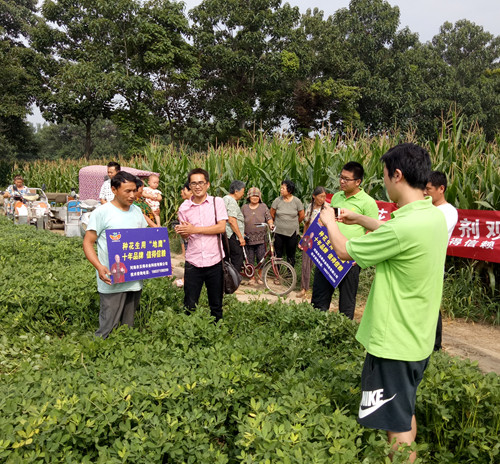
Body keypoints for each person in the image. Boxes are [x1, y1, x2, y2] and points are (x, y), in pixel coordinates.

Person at [319, 143, 448, 462]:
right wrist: (361, 218)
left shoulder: (405, 226)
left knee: (396, 430)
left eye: (386, 176)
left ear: (398, 175)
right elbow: (394, 233)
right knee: (402, 413)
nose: (385, 182)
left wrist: (330, 221)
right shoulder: (431, 216)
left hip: (395, 344)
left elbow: (344, 251)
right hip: (418, 338)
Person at [83, 171, 148, 339]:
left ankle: (123, 357)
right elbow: (88, 242)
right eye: (127, 191)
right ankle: (99, 354)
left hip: (134, 279)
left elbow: (144, 242)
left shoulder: (137, 211)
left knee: (128, 328)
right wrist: (99, 266)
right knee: (107, 326)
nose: (133, 195)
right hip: (111, 278)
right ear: (114, 190)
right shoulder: (102, 212)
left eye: (134, 190)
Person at [311, 162, 378, 319]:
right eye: (341, 177)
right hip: (329, 254)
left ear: (358, 181)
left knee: (346, 303)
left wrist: (358, 254)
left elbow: (373, 232)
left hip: (350, 259)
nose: (342, 181)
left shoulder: (368, 202)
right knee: (319, 299)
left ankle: (342, 333)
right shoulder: (335, 197)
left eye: (346, 179)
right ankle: (314, 331)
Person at [175, 168, 228, 322]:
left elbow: (221, 228)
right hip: (193, 261)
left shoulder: (216, 202)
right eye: (193, 183)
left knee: (216, 304)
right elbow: (186, 235)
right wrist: (184, 232)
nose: (197, 186)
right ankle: (190, 335)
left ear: (207, 184)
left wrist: (194, 229)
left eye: (201, 183)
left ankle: (217, 333)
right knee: (190, 304)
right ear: (189, 186)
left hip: (215, 260)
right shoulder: (184, 208)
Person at [425, 170, 459, 351]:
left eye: (429, 189)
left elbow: (429, 232)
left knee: (431, 304)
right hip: (421, 262)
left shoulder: (448, 212)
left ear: (441, 189)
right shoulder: (428, 209)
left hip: (434, 263)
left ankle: (435, 346)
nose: (425, 192)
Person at [297, 186, 327, 298]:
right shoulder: (310, 207)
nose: (323, 199)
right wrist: (303, 237)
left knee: (321, 265)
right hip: (309, 238)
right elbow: (306, 223)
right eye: (320, 196)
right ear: (314, 196)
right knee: (305, 264)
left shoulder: (327, 209)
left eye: (324, 197)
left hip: (322, 239)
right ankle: (304, 288)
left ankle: (321, 290)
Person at [241, 187, 274, 285]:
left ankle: (259, 277)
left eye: (256, 196)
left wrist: (271, 224)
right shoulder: (244, 208)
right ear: (249, 197)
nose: (255, 198)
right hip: (248, 238)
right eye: (253, 196)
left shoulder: (263, 206)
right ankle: (251, 277)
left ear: (259, 197)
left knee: (261, 258)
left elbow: (269, 218)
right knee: (249, 258)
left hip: (261, 238)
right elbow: (240, 221)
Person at [270, 180, 305, 268]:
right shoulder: (277, 200)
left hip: (292, 232)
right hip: (278, 232)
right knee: (278, 253)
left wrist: (294, 224)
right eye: (281, 188)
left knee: (291, 254)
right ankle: (278, 274)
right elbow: (272, 214)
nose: (281, 190)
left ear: (289, 190)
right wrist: (278, 223)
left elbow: (301, 216)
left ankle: (289, 275)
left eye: (283, 188)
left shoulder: (297, 201)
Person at [223, 180, 246, 273]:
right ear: (236, 191)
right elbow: (232, 220)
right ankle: (233, 281)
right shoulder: (231, 201)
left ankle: (226, 279)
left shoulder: (225, 198)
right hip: (231, 234)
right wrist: (240, 237)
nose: (243, 195)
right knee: (237, 256)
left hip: (225, 233)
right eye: (242, 192)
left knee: (227, 256)